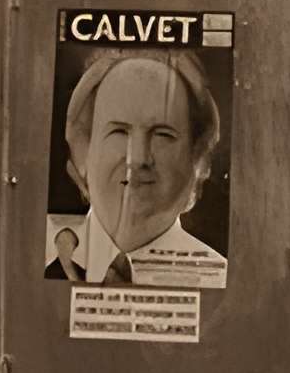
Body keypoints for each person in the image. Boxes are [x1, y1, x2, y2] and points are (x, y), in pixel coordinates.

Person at [60, 48, 227, 287]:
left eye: (162, 134)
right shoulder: (34, 261)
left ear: (197, 160)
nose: (137, 158)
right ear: (83, 151)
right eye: (118, 131)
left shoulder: (220, 281)